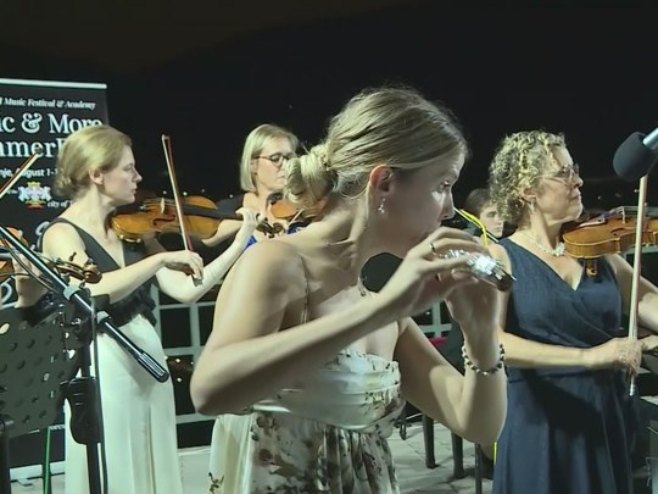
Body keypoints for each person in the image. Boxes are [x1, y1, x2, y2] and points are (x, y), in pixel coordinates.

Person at [190, 87, 507, 493]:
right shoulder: (279, 263)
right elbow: (209, 390)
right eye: (442, 185)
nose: (448, 210)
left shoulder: (373, 299)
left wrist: (481, 335)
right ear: (385, 182)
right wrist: (383, 309)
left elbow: (479, 424)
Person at [40, 124, 259, 494]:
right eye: (128, 168)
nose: (137, 177)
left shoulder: (133, 230)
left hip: (147, 357)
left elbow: (187, 291)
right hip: (103, 363)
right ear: (96, 173)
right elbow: (94, 290)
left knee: (154, 460)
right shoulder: (61, 234)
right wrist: (157, 262)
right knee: (116, 465)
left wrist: (239, 241)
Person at [487, 130, 658, 494]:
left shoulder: (600, 250)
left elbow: (648, 303)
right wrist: (590, 356)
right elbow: (493, 343)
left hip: (606, 416)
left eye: (574, 169)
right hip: (543, 425)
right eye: (563, 173)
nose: (578, 180)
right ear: (527, 190)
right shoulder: (500, 257)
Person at [201, 123, 300, 252]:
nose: (286, 165)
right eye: (275, 158)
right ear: (253, 165)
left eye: (289, 158)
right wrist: (218, 236)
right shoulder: (228, 209)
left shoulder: (301, 208)